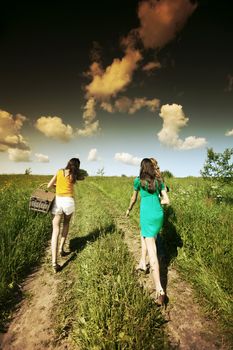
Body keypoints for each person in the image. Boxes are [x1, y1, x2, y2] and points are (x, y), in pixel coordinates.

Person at [126, 158, 170, 305]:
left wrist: (129, 209)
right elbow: (166, 200)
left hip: (146, 217)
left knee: (153, 252)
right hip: (158, 216)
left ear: (142, 168)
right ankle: (142, 264)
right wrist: (157, 199)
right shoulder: (159, 181)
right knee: (146, 237)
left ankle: (160, 290)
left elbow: (133, 198)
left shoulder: (138, 181)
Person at [47, 158, 84, 273]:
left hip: (58, 201)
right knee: (66, 223)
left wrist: (57, 186)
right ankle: (61, 249)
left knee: (55, 230)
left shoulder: (59, 172)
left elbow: (49, 185)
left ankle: (54, 262)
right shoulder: (75, 175)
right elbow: (83, 177)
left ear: (68, 163)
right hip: (68, 202)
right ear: (77, 166)